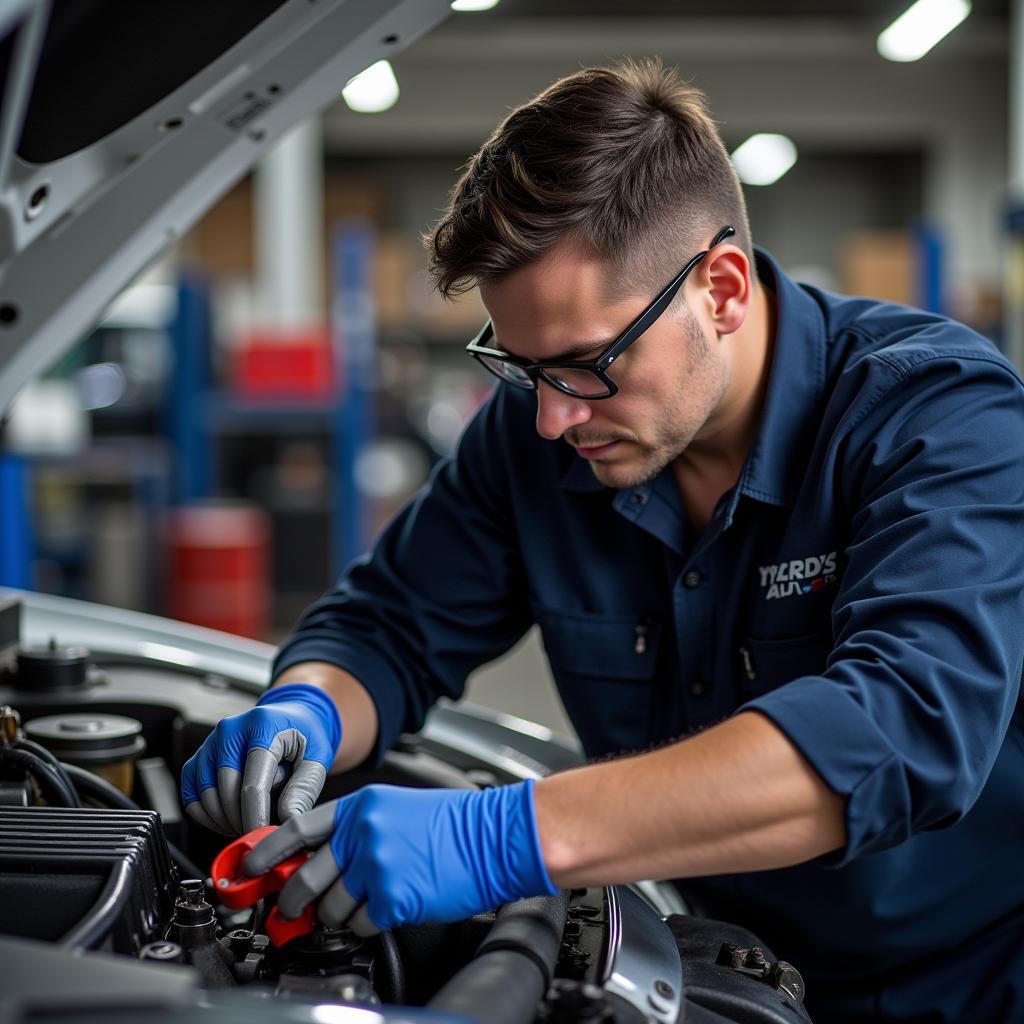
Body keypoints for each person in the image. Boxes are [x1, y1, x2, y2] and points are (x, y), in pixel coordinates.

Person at [181, 60, 1024, 1022]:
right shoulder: (543, 435)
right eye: (518, 365)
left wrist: (501, 836)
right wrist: (307, 709)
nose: (547, 419)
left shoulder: (939, 417)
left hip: (966, 982)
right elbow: (391, 625)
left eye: (586, 364)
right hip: (709, 966)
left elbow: (906, 731)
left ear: (723, 288)